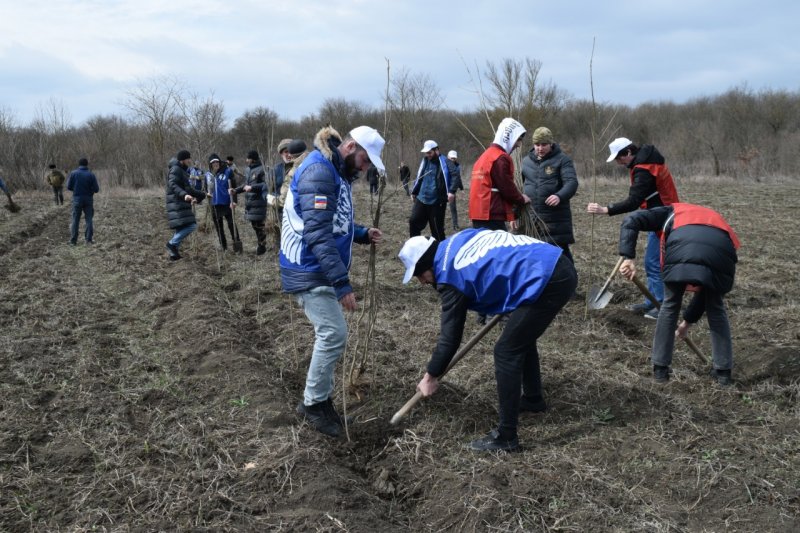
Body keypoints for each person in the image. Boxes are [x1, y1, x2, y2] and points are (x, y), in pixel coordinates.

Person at [399, 229, 577, 452]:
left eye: (419, 274)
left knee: (506, 351)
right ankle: (533, 399)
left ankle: (507, 437)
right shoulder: (456, 240)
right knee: (520, 338)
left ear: (427, 263)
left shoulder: (449, 277)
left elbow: (450, 338)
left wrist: (431, 375)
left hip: (548, 278)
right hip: (553, 261)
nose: (422, 282)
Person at [280, 125, 385, 438]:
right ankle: (314, 404)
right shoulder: (319, 172)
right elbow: (316, 232)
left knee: (332, 333)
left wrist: (362, 233)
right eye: (367, 160)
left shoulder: (334, 172)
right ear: (351, 147)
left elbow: (333, 220)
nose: (367, 168)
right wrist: (342, 284)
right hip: (308, 266)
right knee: (333, 332)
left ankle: (317, 401)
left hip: (317, 267)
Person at [617, 203, 740, 385]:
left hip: (681, 246)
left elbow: (631, 220)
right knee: (716, 307)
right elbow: (704, 294)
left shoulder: (670, 211)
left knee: (670, 304)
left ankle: (660, 370)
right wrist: (686, 324)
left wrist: (628, 257)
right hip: (722, 252)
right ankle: (723, 373)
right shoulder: (717, 219)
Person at [587, 138, 680, 320]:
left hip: (665, 217)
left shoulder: (644, 169)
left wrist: (605, 209)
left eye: (619, 158)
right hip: (660, 214)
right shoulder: (646, 162)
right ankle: (651, 301)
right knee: (651, 262)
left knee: (653, 263)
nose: (618, 163)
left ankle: (660, 305)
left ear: (628, 153)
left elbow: (633, 202)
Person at [521, 127, 579, 263]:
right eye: (537, 144)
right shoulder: (525, 162)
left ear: (551, 144)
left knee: (560, 254)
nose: (540, 148)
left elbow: (571, 183)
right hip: (532, 218)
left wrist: (559, 196)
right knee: (535, 256)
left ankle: (570, 281)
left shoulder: (562, 160)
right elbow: (518, 188)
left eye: (544, 145)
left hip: (555, 219)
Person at [468, 117, 531, 231]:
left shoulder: (485, 156)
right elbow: (506, 187)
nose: (518, 145)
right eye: (518, 139)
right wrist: (521, 199)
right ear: (509, 137)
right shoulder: (500, 158)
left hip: (479, 212)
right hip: (491, 213)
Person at [409, 140, 457, 240]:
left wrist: (452, 191)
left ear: (437, 150)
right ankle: (414, 248)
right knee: (413, 221)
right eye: (426, 153)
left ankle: (441, 252)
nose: (428, 155)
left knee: (437, 230)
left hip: (436, 201)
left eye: (430, 152)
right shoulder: (425, 161)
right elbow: (419, 177)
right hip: (421, 198)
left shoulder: (446, 161)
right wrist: (414, 191)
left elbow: (455, 175)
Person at [165, 150, 206, 260]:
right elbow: (172, 184)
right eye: (188, 158)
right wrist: (184, 195)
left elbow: (189, 189)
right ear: (182, 159)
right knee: (192, 225)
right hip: (177, 203)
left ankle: (174, 254)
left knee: (180, 228)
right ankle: (171, 244)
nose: (190, 160)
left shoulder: (182, 170)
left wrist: (203, 194)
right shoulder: (176, 169)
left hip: (180, 203)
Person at [232, 150, 268, 255]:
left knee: (259, 225)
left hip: (259, 202)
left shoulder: (262, 169)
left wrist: (252, 187)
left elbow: (266, 184)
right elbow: (245, 185)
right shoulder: (248, 170)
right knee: (255, 225)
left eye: (248, 158)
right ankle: (261, 244)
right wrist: (236, 190)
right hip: (250, 203)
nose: (246, 160)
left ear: (253, 159)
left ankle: (262, 246)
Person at [207, 153, 237, 251]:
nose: (215, 164)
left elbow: (234, 187)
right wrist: (206, 193)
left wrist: (234, 201)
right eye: (213, 162)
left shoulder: (228, 171)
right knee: (219, 227)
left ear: (219, 162)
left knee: (231, 224)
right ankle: (223, 246)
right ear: (210, 164)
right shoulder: (208, 175)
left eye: (217, 161)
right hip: (214, 204)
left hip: (227, 202)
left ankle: (236, 242)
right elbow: (205, 188)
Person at [66, 158, 100, 245]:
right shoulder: (91, 175)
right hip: (88, 200)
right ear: (87, 164)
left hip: (77, 199)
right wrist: (90, 191)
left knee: (75, 220)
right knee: (89, 220)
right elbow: (96, 189)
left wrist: (76, 189)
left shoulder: (73, 173)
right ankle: (88, 240)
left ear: (79, 164)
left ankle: (73, 241)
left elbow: (68, 187)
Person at [278, 139, 308, 209]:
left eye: (290, 151)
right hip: (281, 211)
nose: (289, 154)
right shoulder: (276, 170)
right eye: (286, 152)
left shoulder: (299, 167)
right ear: (281, 154)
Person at [446, 150, 464, 231]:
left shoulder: (457, 166)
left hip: (452, 191)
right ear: (448, 157)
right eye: (451, 158)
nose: (453, 159)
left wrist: (461, 187)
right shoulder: (444, 164)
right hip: (443, 189)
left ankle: (455, 224)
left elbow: (458, 178)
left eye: (454, 158)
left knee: (453, 208)